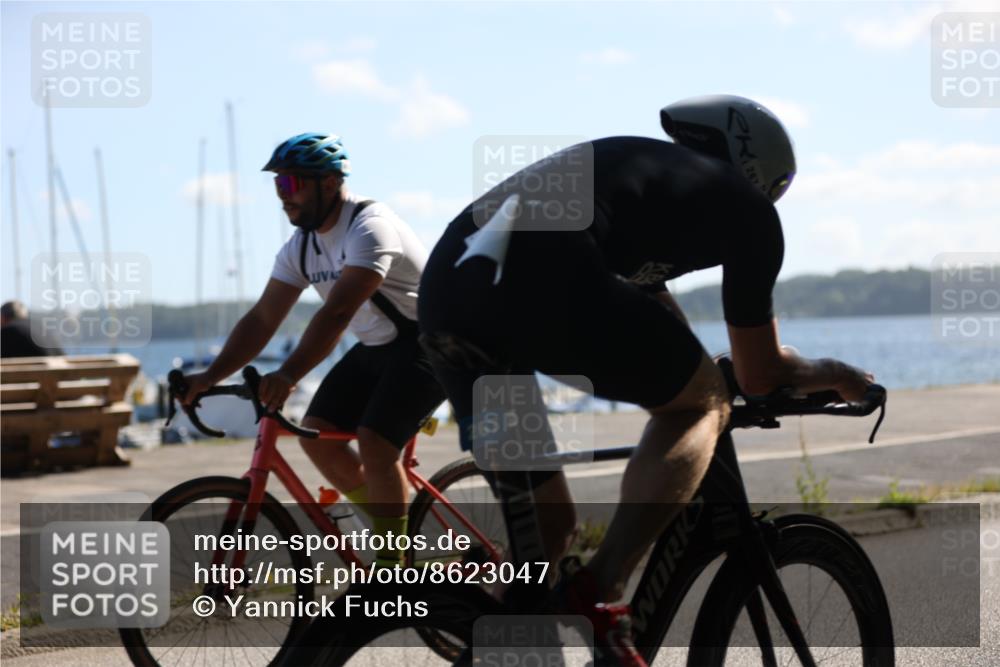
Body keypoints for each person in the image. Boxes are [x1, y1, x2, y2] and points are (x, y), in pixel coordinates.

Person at [417, 95, 874, 665]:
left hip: (446, 299)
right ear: (759, 173)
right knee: (702, 408)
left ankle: (502, 634)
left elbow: (662, 330)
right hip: (545, 271)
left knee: (549, 530)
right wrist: (838, 374)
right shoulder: (749, 211)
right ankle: (603, 588)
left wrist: (702, 370)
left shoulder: (643, 186)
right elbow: (758, 374)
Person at [181, 133, 445, 567]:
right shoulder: (300, 248)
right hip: (378, 347)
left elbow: (338, 312)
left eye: (290, 185)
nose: (283, 197)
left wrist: (288, 375)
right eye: (277, 186)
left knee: (376, 444)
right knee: (318, 436)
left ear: (327, 183)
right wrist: (209, 377)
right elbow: (263, 319)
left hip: (428, 343)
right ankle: (392, 528)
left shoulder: (370, 226)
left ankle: (394, 568)